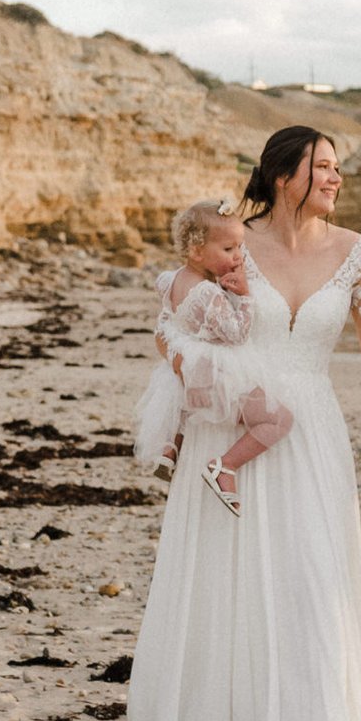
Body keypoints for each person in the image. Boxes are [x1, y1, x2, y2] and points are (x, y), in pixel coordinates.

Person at [128, 127, 361, 721]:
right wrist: (191, 383)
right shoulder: (230, 244)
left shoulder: (358, 254)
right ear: (285, 173)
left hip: (313, 431)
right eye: (322, 166)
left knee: (315, 582)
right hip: (231, 428)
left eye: (337, 168)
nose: (334, 178)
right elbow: (172, 323)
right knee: (226, 581)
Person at [132, 200, 294, 515]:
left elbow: (167, 323)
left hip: (184, 366)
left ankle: (171, 446)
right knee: (278, 418)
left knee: (182, 385)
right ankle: (226, 466)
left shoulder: (171, 280)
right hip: (216, 375)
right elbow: (236, 333)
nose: (239, 256)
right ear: (196, 252)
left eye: (240, 246)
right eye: (229, 249)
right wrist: (244, 296)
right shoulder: (208, 294)